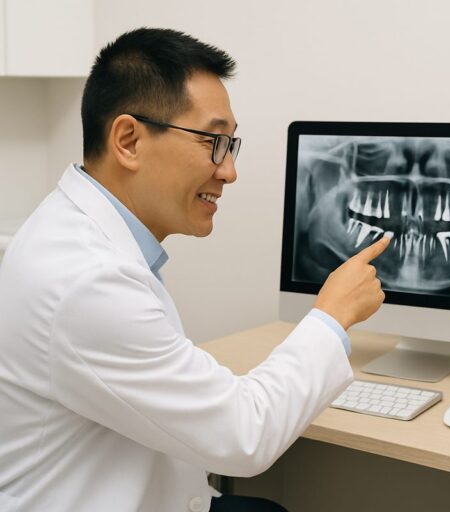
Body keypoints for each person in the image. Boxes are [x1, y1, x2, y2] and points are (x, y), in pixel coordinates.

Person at [0, 28, 390, 512]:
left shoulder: (78, 233)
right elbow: (243, 437)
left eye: (231, 146)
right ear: (128, 140)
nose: (228, 171)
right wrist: (332, 317)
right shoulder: (86, 281)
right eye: (214, 142)